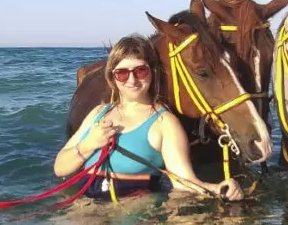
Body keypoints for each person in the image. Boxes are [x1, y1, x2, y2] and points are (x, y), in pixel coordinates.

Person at [54, 34, 245, 202]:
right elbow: (60, 168)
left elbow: (184, 182)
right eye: (122, 73)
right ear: (112, 78)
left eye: (140, 71)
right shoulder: (98, 113)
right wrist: (89, 144)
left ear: (152, 73)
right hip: (89, 212)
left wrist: (217, 189)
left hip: (133, 219)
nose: (132, 80)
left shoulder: (164, 123)